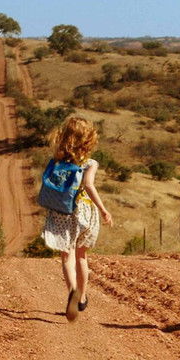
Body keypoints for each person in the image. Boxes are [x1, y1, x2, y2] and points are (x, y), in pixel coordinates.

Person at [42, 117, 113, 322]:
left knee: (67, 255)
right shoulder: (90, 163)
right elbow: (89, 185)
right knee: (82, 255)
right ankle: (81, 297)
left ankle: (72, 290)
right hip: (85, 211)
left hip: (62, 211)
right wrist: (103, 209)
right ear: (89, 139)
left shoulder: (57, 160)